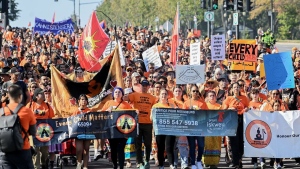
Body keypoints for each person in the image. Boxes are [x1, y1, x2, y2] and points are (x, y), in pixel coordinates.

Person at [1, 84, 36, 169]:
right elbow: (33, 132)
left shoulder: (1, 112)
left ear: (8, 96)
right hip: (23, 150)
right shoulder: (27, 111)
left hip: (5, 152)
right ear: (20, 96)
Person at [125, 80, 156, 169]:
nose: (144, 87)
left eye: (146, 85)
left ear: (148, 87)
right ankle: (139, 161)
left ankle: (146, 160)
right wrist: (125, 91)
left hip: (148, 123)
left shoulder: (152, 97)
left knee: (148, 143)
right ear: (140, 86)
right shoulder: (135, 95)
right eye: (143, 85)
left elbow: (155, 108)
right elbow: (125, 99)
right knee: (137, 144)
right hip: (137, 123)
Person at [101, 87, 133, 169]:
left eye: (119, 92)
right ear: (113, 94)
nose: (117, 93)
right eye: (116, 92)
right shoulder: (109, 103)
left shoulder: (126, 104)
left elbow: (131, 116)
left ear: (122, 94)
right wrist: (108, 110)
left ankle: (121, 166)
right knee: (113, 149)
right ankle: (115, 165)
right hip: (111, 130)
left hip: (122, 130)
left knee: (121, 149)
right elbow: (101, 115)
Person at [222, 82, 249, 169]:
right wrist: (230, 108)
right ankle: (235, 162)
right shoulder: (228, 98)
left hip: (241, 120)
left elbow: (248, 106)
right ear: (232, 89)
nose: (236, 89)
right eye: (234, 87)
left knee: (241, 141)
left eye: (237, 87)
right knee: (234, 142)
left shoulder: (244, 98)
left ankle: (240, 158)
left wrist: (247, 109)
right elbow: (224, 109)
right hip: (232, 120)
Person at [27, 88, 55, 169]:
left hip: (45, 131)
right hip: (33, 131)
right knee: (35, 150)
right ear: (36, 95)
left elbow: (51, 119)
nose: (44, 95)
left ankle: (44, 164)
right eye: (41, 93)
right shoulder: (30, 105)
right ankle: (36, 167)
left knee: (44, 151)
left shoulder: (47, 106)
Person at [183, 85, 208, 169]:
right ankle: (193, 163)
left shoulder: (202, 103)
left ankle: (198, 161)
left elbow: (207, 115)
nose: (195, 93)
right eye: (193, 91)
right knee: (192, 146)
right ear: (190, 92)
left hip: (200, 128)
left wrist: (201, 112)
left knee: (201, 145)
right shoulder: (186, 103)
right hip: (190, 128)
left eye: (197, 91)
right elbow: (183, 116)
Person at [151, 88, 176, 169]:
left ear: (168, 96)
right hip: (159, 129)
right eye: (162, 94)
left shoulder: (172, 105)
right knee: (160, 147)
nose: (163, 95)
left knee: (169, 147)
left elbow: (176, 117)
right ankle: (161, 165)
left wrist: (175, 110)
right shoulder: (155, 106)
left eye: (165, 94)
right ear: (159, 95)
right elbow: (151, 118)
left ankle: (171, 164)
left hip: (170, 129)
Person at [203, 91, 222, 168]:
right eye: (210, 96)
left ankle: (215, 162)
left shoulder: (219, 106)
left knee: (216, 145)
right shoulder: (205, 106)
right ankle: (206, 162)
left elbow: (222, 117)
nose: (212, 97)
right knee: (207, 145)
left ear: (216, 97)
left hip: (217, 129)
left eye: (213, 95)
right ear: (207, 97)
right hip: (207, 129)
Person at [73, 94, 91, 169]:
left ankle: (85, 166)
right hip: (78, 133)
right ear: (79, 101)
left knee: (86, 149)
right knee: (79, 149)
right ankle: (79, 162)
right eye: (82, 99)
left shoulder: (90, 111)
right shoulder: (76, 111)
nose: (84, 101)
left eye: (85, 100)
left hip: (88, 132)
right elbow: (72, 122)